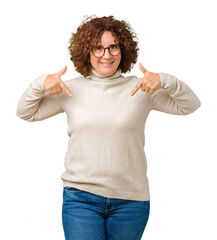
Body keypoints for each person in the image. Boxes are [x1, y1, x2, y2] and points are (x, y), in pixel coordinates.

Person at [16, 15, 201, 240]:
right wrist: (40, 83)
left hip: (131, 201)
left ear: (123, 50)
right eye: (98, 48)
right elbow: (26, 112)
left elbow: (190, 105)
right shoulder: (70, 89)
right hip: (80, 199)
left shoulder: (141, 88)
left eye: (113, 47)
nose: (107, 55)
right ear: (87, 52)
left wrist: (165, 80)